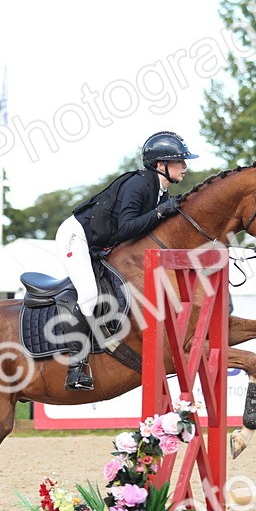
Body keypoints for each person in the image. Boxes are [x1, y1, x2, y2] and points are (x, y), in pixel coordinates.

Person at [54, 131, 196, 390]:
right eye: (179, 161)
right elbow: (126, 229)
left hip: (101, 244)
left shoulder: (159, 192)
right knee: (88, 294)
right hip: (77, 238)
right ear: (160, 165)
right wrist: (162, 211)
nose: (185, 166)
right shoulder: (139, 184)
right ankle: (75, 367)